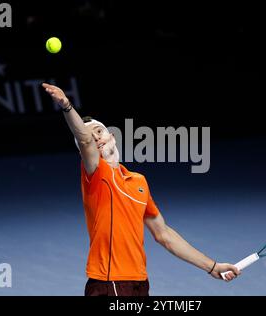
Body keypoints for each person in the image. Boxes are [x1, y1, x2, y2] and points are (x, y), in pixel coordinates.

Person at [42, 83, 240, 296]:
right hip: (109, 283)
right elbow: (84, 140)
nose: (96, 138)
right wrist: (66, 105)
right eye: (91, 136)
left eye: (99, 131)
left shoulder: (139, 182)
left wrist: (212, 266)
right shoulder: (96, 175)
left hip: (139, 282)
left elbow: (164, 234)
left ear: (113, 137)